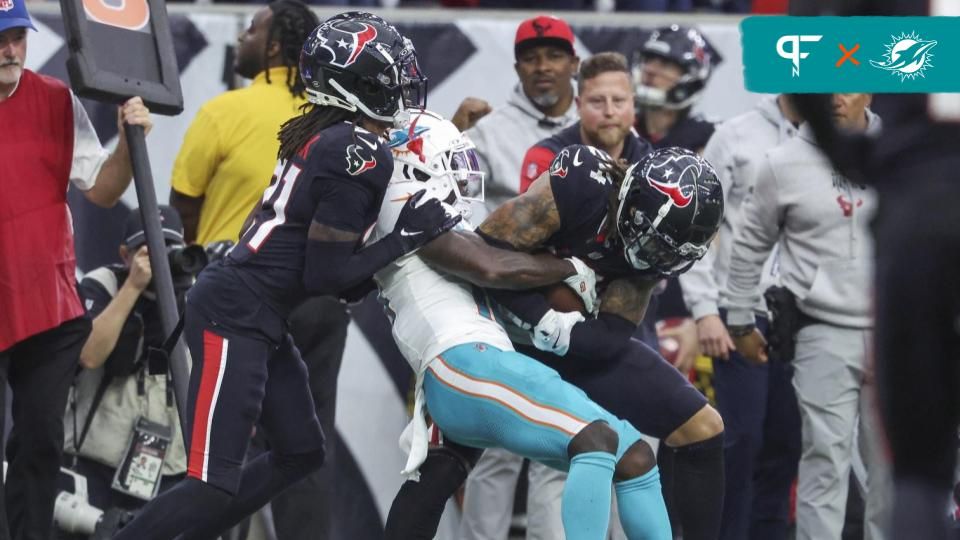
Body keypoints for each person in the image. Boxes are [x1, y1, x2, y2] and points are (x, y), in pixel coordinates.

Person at [111, 12, 448, 540]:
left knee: (300, 451)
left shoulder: (332, 132)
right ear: (353, 84)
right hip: (235, 313)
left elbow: (335, 279)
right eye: (388, 77)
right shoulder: (354, 150)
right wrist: (406, 236)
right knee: (211, 482)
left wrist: (392, 246)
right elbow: (327, 277)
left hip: (259, 311)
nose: (400, 87)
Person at [385, 142, 726, 540]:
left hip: (571, 341)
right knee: (441, 468)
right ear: (631, 199)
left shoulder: (654, 249)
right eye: (649, 239)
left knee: (701, 427)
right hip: (494, 330)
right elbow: (486, 258)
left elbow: (609, 339)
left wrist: (561, 331)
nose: (649, 255)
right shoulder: (582, 181)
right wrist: (540, 311)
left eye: (664, 251)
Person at [168, 3, 346, 537]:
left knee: (217, 456)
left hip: (238, 296)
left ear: (272, 48)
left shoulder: (224, 111)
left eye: (250, 31)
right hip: (319, 301)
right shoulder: (334, 121)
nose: (242, 39)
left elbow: (182, 212)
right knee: (306, 449)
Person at [789, 3, 960, 537]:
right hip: (917, 198)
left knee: (917, 469)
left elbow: (803, 33)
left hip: (918, 209)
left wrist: (848, 152)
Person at [0, 2, 153, 538]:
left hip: (47, 303)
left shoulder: (56, 101)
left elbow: (105, 191)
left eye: (17, 36)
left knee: (41, 441)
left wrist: (131, 145)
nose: (10, 50)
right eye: (0, 39)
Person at [720, 93, 890, 540]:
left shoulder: (901, 149)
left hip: (895, 331)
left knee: (891, 469)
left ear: (869, 91)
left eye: (848, 86)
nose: (835, 98)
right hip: (821, 329)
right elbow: (749, 243)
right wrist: (739, 319)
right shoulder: (783, 162)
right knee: (823, 461)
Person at [678, 94, 803, 540]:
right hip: (741, 312)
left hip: (807, 315)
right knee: (741, 441)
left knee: (787, 444)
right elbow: (695, 223)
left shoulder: (837, 139)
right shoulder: (734, 135)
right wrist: (705, 310)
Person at [63, 206, 189, 517]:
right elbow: (90, 354)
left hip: (167, 467)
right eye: (149, 250)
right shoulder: (103, 284)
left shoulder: (192, 295)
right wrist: (132, 287)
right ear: (124, 254)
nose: (161, 260)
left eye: (169, 250)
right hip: (97, 459)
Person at [631, 24, 722, 375]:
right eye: (651, 59)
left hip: (682, 303)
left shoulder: (710, 141)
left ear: (691, 75)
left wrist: (700, 314)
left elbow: (717, 242)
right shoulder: (618, 128)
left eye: (667, 64)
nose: (653, 69)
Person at [449, 14, 580, 222]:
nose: (542, 67)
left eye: (554, 56)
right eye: (530, 59)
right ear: (518, 70)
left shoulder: (600, 121)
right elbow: (455, 191)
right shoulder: (488, 131)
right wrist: (451, 137)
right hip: (512, 251)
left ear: (574, 64)